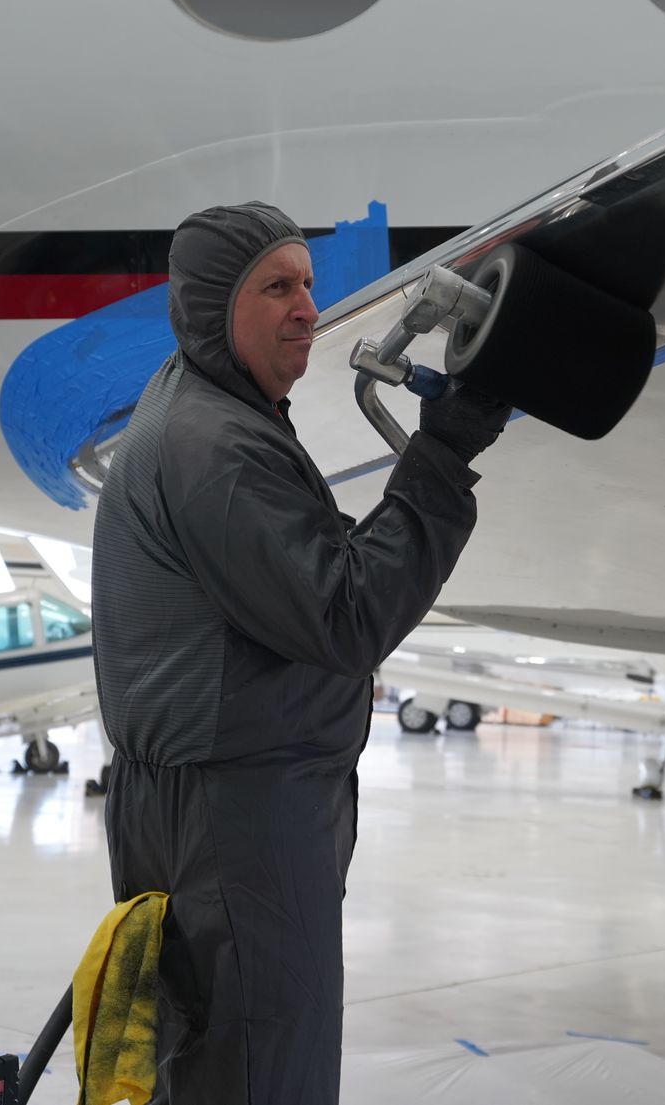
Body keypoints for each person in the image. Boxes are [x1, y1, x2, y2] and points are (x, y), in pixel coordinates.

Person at [92, 202, 510, 1103]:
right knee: (261, 1066)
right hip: (237, 817)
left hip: (199, 801)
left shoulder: (191, 406)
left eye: (309, 284)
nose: (307, 308)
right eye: (276, 287)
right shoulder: (219, 447)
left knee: (207, 1059)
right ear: (214, 309)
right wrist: (442, 458)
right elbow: (346, 616)